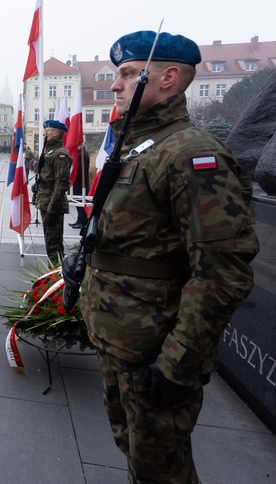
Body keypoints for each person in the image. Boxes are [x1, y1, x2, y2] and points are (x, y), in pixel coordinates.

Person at [79, 31, 259, 483]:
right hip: (119, 335)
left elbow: (221, 273)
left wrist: (180, 361)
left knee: (160, 467)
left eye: (126, 74)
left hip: (154, 345)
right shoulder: (138, 147)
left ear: (168, 78)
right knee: (135, 449)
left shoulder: (192, 153)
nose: (115, 86)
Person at [35, 120, 72, 262]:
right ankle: (54, 274)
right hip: (45, 201)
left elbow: (61, 184)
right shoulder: (49, 150)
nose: (44, 133)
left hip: (53, 205)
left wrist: (51, 208)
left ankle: (56, 276)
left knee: (54, 244)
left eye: (47, 131)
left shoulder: (60, 154)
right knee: (50, 242)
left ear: (55, 134)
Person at [69, 143, 91, 229]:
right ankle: (79, 219)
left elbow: (80, 168)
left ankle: (82, 221)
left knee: (80, 201)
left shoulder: (82, 155)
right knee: (77, 200)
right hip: (78, 181)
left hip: (81, 182)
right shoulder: (80, 154)